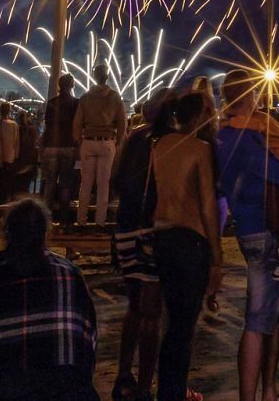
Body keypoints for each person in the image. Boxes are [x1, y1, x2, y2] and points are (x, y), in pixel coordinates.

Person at [0, 198, 98, 401]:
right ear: (45, 235)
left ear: (7, 234)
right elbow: (87, 343)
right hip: (63, 389)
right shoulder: (70, 275)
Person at [216, 73, 279, 401]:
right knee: (257, 322)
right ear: (248, 96)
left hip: (245, 229)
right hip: (264, 232)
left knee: (271, 315)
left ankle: (266, 392)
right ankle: (250, 396)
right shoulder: (248, 140)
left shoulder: (221, 136)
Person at [151, 91, 223, 401]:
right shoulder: (201, 149)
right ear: (200, 114)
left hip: (162, 238)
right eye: (211, 110)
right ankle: (174, 392)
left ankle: (169, 388)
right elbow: (208, 206)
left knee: (172, 323)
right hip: (191, 241)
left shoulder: (159, 145)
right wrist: (217, 258)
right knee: (184, 327)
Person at [109, 91, 171, 401]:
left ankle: (122, 377)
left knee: (134, 308)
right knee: (152, 314)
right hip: (150, 230)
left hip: (125, 228)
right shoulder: (164, 142)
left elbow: (115, 180)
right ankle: (145, 388)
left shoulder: (133, 137)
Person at [75, 63, 128, 228]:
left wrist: (80, 141)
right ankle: (100, 222)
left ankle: (81, 222)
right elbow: (123, 123)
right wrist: (117, 141)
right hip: (107, 142)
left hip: (89, 141)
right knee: (103, 184)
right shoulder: (115, 97)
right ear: (107, 76)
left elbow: (77, 124)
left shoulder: (85, 97)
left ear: (94, 76)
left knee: (86, 184)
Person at [43, 74, 81, 226]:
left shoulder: (51, 103)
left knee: (50, 184)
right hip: (68, 146)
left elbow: (47, 124)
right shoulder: (76, 103)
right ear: (71, 86)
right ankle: (64, 221)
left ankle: (45, 219)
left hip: (51, 146)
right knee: (65, 184)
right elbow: (78, 125)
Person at [0, 100, 20, 226]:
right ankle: (1, 217)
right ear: (9, 111)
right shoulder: (13, 125)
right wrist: (15, 158)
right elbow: (16, 144)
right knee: (4, 192)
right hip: (8, 162)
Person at [13, 108, 40, 197]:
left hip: (17, 163)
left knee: (15, 189)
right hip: (29, 164)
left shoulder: (16, 129)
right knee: (25, 189)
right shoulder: (33, 130)